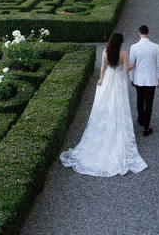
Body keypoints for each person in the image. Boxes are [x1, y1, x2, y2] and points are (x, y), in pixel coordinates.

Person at [60, 32, 147, 177]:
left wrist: (101, 80)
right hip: (119, 81)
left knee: (106, 103)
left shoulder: (105, 52)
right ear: (120, 42)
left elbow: (103, 68)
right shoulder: (124, 54)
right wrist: (135, 63)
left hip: (108, 79)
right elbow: (126, 69)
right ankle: (118, 125)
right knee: (120, 105)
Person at [129, 25, 159, 137]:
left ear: (139, 33)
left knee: (140, 99)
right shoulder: (155, 46)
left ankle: (141, 118)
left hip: (139, 79)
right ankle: (146, 127)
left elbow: (131, 64)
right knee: (149, 103)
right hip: (151, 79)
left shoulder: (134, 47)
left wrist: (131, 77)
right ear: (148, 33)